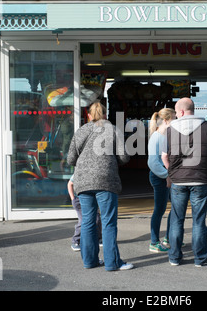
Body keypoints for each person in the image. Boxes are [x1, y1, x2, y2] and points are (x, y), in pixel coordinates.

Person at [67, 102, 133, 271]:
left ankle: (89, 261)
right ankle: (112, 263)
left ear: (88, 116)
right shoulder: (112, 129)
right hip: (106, 180)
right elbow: (124, 157)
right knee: (108, 222)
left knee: (88, 221)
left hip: (82, 180)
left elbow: (70, 159)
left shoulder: (81, 130)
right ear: (105, 115)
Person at [161, 97, 207, 267]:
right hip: (200, 180)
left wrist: (171, 172)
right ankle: (201, 259)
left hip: (178, 181)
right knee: (198, 220)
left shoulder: (170, 129)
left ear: (180, 112)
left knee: (176, 219)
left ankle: (174, 257)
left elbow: (164, 156)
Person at [147, 108, 176, 252]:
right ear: (166, 120)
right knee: (160, 210)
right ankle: (154, 242)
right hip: (160, 178)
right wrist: (167, 176)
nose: (176, 122)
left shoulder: (165, 136)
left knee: (175, 207)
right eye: (174, 119)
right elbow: (153, 163)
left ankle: (169, 238)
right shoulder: (156, 137)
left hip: (165, 177)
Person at [67, 174, 102, 251]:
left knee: (97, 219)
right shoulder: (79, 172)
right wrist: (73, 199)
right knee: (83, 220)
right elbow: (70, 184)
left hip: (92, 200)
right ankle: (76, 241)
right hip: (79, 200)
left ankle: (98, 238)